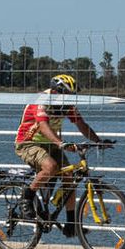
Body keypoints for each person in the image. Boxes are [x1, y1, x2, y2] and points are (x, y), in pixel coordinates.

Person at [14, 73, 109, 235]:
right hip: (28, 143)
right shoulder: (42, 100)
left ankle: (71, 224)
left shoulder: (67, 105)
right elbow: (43, 125)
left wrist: (98, 141)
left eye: (71, 96)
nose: (69, 98)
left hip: (51, 144)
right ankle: (26, 198)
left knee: (69, 176)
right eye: (67, 95)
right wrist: (60, 143)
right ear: (56, 92)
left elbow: (81, 124)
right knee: (50, 167)